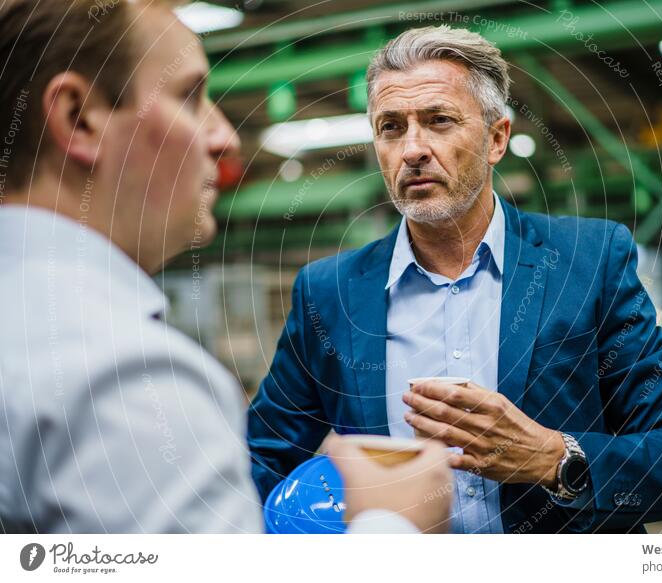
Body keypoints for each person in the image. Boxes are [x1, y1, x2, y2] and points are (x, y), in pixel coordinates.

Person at [247, 25, 662, 534]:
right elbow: (254, 463)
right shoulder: (331, 293)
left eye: (439, 121)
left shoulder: (589, 265)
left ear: (497, 138)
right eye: (391, 127)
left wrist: (552, 458)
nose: (412, 149)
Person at [0, 0, 451, 534]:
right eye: (189, 98)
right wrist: (392, 524)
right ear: (80, 116)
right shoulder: (127, 383)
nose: (225, 138)